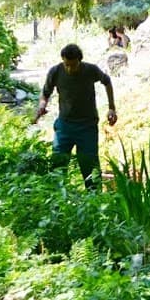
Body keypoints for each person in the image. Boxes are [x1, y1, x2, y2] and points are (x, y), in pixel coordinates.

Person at [33, 43, 117, 190]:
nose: (69, 69)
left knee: (89, 165)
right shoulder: (56, 71)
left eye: (73, 65)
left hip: (87, 126)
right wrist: (41, 106)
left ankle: (94, 199)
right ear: (63, 61)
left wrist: (111, 108)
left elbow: (107, 81)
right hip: (65, 125)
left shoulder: (90, 70)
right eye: (66, 65)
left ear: (79, 61)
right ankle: (57, 198)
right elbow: (45, 94)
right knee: (58, 163)